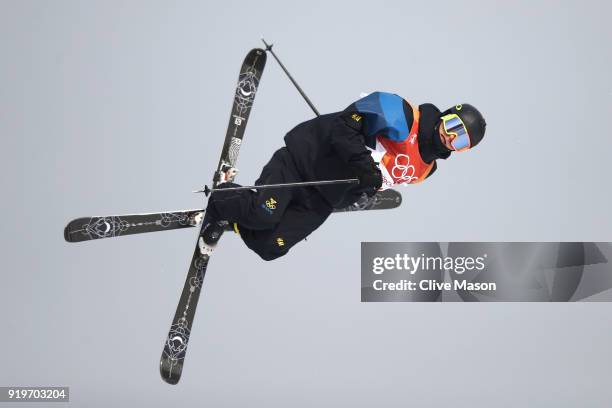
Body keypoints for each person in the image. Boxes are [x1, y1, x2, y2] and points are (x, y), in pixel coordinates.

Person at [202, 91, 486, 260]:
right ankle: (222, 198)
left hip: (324, 198)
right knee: (263, 214)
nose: (450, 137)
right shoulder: (403, 114)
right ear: (446, 115)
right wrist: (366, 170)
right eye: (453, 126)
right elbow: (343, 127)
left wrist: (362, 191)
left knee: (270, 247)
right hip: (304, 162)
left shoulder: (426, 170)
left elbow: (378, 180)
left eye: (460, 141)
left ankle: (236, 219)